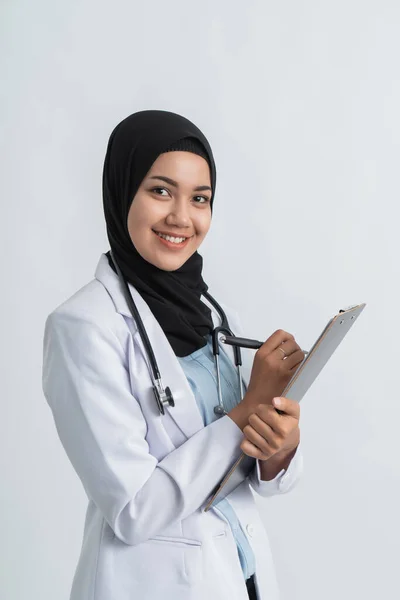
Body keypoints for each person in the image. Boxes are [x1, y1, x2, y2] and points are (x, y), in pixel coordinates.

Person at [42, 110, 305, 600]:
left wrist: (278, 445)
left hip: (239, 577)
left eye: (199, 199)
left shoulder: (208, 311)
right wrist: (246, 414)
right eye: (161, 190)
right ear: (122, 191)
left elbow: (256, 480)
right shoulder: (83, 327)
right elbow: (132, 509)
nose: (181, 217)